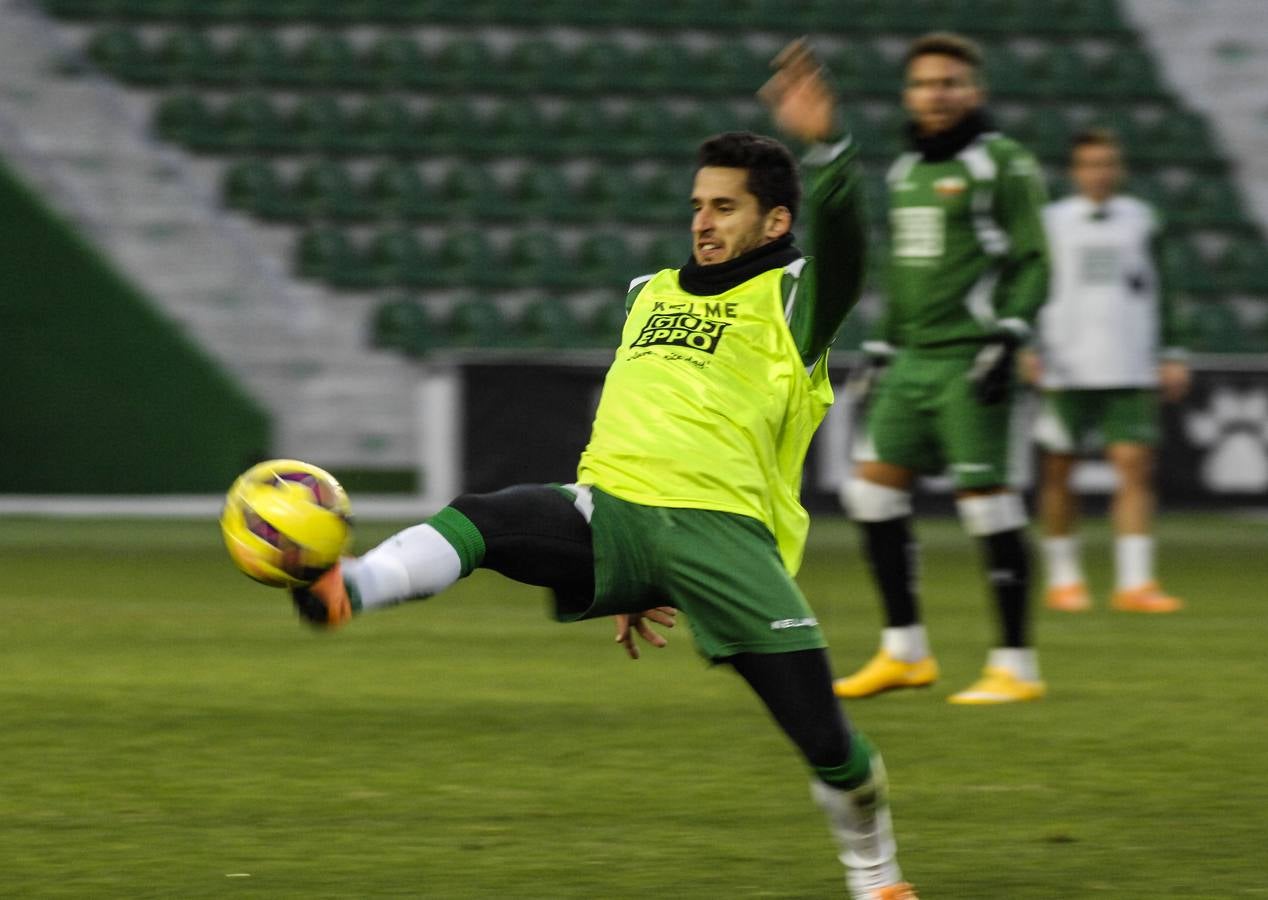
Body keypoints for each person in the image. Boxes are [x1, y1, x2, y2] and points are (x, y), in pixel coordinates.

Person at [287, 126, 917, 899]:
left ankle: (876, 874)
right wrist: (629, 570)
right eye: (698, 205)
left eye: (726, 207)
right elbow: (632, 414)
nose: (704, 221)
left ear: (775, 222)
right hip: (611, 512)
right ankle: (349, 586)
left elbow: (849, 252)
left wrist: (831, 151)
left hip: (725, 540)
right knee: (485, 517)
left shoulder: (794, 298)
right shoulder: (647, 294)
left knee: (830, 747)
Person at [767, 34, 1050, 705]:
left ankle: (1016, 664)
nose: (938, 94)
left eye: (951, 82)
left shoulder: (1002, 163)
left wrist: (1008, 337)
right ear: (909, 95)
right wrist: (884, 349)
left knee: (989, 504)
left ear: (974, 91)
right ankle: (905, 653)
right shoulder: (905, 171)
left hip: (969, 357)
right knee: (872, 494)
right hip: (910, 360)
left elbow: (1034, 259)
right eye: (925, 84)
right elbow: (900, 273)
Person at [1023, 127, 1189, 613]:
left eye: (1108, 162)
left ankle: (1135, 582)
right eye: (1091, 163)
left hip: (1129, 361)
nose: (1100, 172)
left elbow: (1166, 288)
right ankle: (1064, 578)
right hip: (1064, 363)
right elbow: (1030, 284)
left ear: (1120, 168)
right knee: (1058, 471)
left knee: (1135, 468)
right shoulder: (1050, 221)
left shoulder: (1143, 219)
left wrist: (1173, 351)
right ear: (1076, 171)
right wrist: (1028, 344)